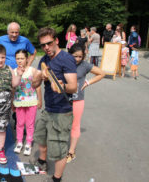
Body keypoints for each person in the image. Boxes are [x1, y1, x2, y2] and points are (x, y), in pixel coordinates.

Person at [32, 27, 77, 182]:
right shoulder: (44, 60)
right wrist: (41, 77)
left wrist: (61, 86)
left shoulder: (66, 59)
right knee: (41, 138)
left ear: (56, 41)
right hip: (48, 109)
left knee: (58, 149)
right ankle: (42, 163)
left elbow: (73, 86)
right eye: (43, 45)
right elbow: (34, 84)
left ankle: (56, 179)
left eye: (49, 43)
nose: (46, 47)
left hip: (62, 112)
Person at [67, 43, 105, 163]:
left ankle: (71, 152)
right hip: (63, 99)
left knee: (75, 125)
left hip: (78, 99)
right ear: (70, 54)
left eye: (80, 56)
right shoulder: (65, 63)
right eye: (75, 56)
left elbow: (101, 73)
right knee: (61, 124)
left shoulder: (85, 65)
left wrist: (88, 82)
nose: (77, 59)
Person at [12, 50, 42, 156]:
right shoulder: (14, 71)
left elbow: (37, 85)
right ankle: (19, 142)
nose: (20, 61)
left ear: (27, 59)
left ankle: (28, 143)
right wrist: (12, 102)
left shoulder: (32, 71)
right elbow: (13, 88)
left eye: (22, 58)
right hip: (19, 102)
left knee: (30, 124)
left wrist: (40, 99)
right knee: (19, 123)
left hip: (32, 102)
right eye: (18, 58)